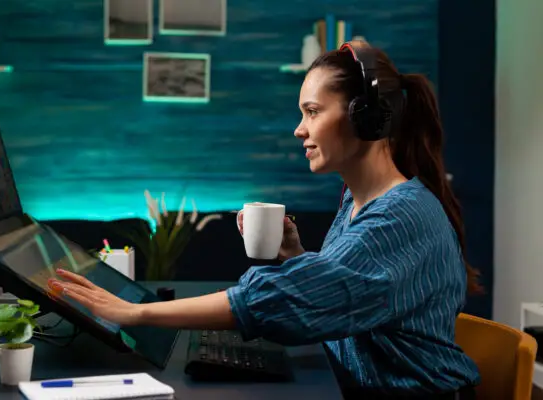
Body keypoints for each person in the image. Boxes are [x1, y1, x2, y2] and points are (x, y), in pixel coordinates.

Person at [47, 40, 482, 399]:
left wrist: (137, 315)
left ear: (365, 118)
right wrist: (294, 254)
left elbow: (278, 300)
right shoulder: (357, 198)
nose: (299, 129)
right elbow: (343, 291)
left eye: (312, 112)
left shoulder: (399, 218)